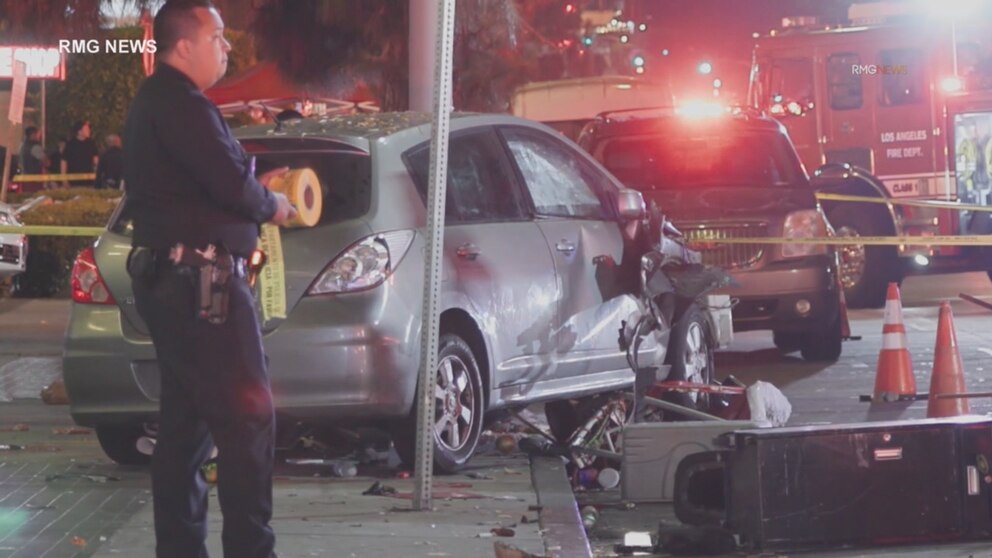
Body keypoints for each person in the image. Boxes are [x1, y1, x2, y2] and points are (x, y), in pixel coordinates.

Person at [121, 1, 296, 557]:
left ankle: (180, 548)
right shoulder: (183, 104)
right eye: (217, 36)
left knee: (186, 427)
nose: (227, 47)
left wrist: (254, 191)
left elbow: (207, 185)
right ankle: (251, 548)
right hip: (203, 284)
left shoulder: (156, 103)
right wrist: (273, 204)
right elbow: (230, 185)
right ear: (183, 46)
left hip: (175, 281)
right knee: (248, 420)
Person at [62, 120, 98, 187]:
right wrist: (64, 179)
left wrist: (97, 175)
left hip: (89, 181)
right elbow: (64, 161)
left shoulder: (91, 144)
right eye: (86, 129)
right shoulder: (70, 144)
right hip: (73, 181)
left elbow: (96, 161)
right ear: (79, 132)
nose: (89, 131)